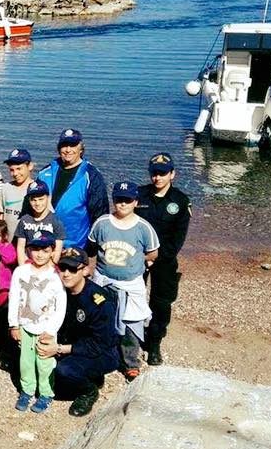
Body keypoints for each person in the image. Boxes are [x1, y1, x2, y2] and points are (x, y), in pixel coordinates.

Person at [87, 182, 159, 382]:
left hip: (130, 284)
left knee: (131, 324)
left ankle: (130, 363)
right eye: (119, 199)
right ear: (114, 200)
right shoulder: (102, 223)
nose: (123, 204)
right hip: (104, 280)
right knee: (102, 321)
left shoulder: (143, 227)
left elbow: (152, 252)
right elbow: (92, 246)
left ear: (135, 202)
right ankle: (101, 357)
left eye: (128, 200)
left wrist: (137, 262)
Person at [36, 247, 119, 417]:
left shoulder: (98, 301)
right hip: (70, 344)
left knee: (64, 371)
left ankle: (88, 391)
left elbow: (99, 344)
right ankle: (88, 376)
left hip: (100, 352)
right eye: (62, 268)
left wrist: (58, 349)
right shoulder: (59, 292)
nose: (66, 274)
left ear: (85, 271)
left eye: (73, 269)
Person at [135, 152, 191, 366]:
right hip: (137, 258)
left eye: (162, 173)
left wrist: (154, 257)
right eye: (154, 173)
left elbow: (177, 239)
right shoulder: (139, 195)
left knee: (161, 303)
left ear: (172, 174)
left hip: (164, 260)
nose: (157, 177)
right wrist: (140, 256)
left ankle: (154, 343)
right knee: (132, 299)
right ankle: (131, 338)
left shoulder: (180, 201)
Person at [8, 231, 67, 414]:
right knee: (26, 361)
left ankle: (46, 393)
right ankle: (27, 390)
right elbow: (14, 298)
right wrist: (14, 324)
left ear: (52, 251)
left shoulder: (56, 276)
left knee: (44, 362)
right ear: (28, 250)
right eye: (35, 249)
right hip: (25, 325)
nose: (40, 254)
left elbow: (61, 306)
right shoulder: (20, 272)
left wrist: (51, 330)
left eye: (45, 250)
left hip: (46, 328)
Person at [36, 129, 108, 248]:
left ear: (81, 149)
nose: (68, 150)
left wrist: (92, 248)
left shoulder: (91, 175)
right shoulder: (45, 172)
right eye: (64, 145)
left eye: (73, 145)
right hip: (44, 245)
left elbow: (99, 215)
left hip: (75, 247)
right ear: (59, 148)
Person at [13, 180, 66, 265]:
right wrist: (22, 268)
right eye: (33, 200)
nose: (37, 203)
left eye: (41, 199)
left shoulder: (56, 221)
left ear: (48, 198)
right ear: (29, 200)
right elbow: (20, 248)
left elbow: (57, 250)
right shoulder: (24, 220)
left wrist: (50, 268)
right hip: (28, 264)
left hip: (48, 265)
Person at [0, 148, 35, 237]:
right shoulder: (6, 188)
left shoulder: (37, 189)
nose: (15, 173)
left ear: (30, 166)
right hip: (7, 242)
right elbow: (1, 215)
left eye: (19, 168)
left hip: (28, 241)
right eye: (12, 170)